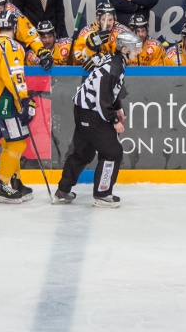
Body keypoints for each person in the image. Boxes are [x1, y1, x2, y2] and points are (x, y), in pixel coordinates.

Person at [54, 31, 143, 208]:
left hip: (84, 110)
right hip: (91, 112)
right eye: (136, 48)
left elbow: (111, 91)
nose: (139, 51)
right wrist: (114, 121)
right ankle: (102, 194)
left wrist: (117, 107)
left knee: (83, 152)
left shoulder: (116, 61)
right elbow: (103, 100)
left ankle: (63, 191)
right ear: (125, 48)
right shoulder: (114, 67)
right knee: (113, 152)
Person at [0, 11, 36, 204]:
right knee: (17, 143)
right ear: (14, 26)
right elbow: (13, 76)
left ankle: (14, 180)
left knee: (7, 143)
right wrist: (24, 101)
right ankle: (3, 183)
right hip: (6, 101)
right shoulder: (11, 46)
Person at [73, 2, 130, 66]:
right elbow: (78, 55)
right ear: (98, 20)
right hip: (94, 70)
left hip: (117, 70)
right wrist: (90, 50)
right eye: (104, 20)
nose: (108, 23)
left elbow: (133, 54)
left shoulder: (123, 32)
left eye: (110, 20)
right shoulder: (86, 32)